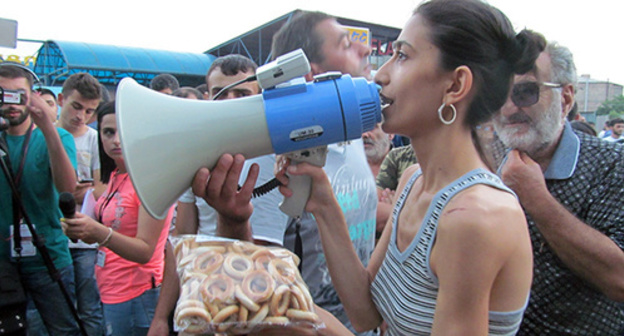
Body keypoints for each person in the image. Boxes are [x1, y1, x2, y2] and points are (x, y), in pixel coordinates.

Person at [271, 1, 541, 334]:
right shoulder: (413, 181)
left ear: (455, 86)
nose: (381, 74)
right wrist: (323, 203)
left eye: (402, 56)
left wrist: (313, 326)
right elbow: (365, 313)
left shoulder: (474, 219)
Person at [193, 10, 379, 336]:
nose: (364, 50)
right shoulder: (275, 147)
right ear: (312, 73)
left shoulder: (347, 132)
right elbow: (262, 281)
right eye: (345, 44)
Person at [492, 40, 624, 334]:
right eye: (498, 92)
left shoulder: (612, 164)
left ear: (565, 99)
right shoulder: (483, 158)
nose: (509, 107)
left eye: (526, 91)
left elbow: (620, 279)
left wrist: (536, 198)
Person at [147, 54, 261, 336]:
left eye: (242, 94)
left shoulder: (276, 154)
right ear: (207, 96)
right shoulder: (196, 156)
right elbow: (181, 241)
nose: (231, 102)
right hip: (206, 300)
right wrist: (162, 317)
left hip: (261, 302)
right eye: (221, 93)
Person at [64, 101, 173, 336]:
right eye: (108, 132)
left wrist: (98, 232)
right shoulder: (115, 174)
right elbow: (113, 228)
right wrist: (85, 228)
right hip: (112, 287)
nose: (116, 140)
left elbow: (146, 251)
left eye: (123, 131)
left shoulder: (149, 179)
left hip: (139, 291)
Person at [0, 64, 81, 335]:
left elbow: (68, 188)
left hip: (48, 257)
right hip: (3, 261)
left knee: (63, 330)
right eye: (3, 94)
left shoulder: (57, 137)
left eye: (18, 95)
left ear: (32, 95)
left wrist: (47, 126)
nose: (11, 104)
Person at [57, 72, 106, 336]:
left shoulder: (95, 138)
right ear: (61, 99)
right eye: (76, 106)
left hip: (86, 237)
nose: (81, 116)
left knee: (90, 307)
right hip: (53, 235)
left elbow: (101, 188)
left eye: (89, 111)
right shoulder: (45, 133)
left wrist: (76, 193)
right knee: (61, 308)